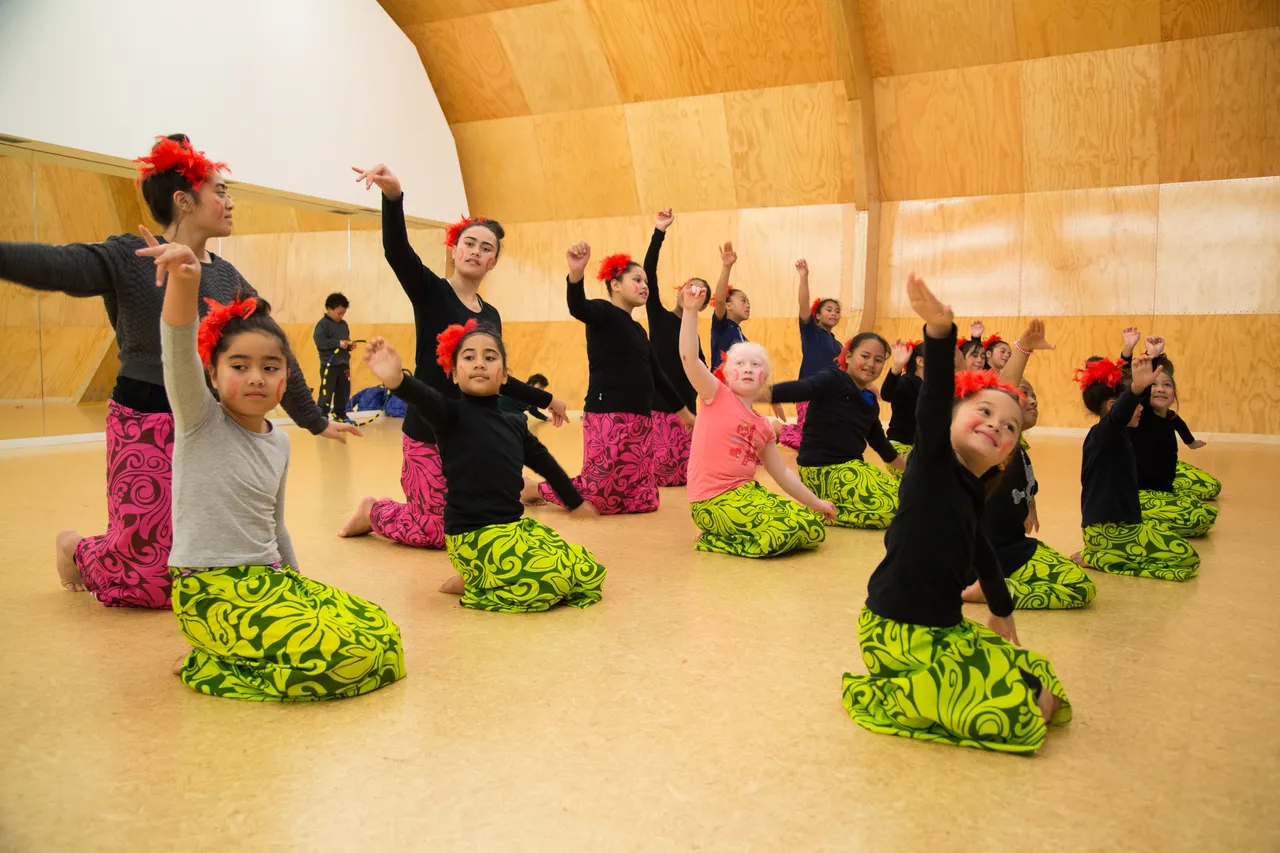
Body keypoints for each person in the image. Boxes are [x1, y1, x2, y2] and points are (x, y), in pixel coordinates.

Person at [0, 134, 357, 609]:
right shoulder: (131, 255)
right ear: (184, 200)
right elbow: (62, 266)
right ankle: (77, 549)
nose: (230, 202)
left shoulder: (229, 279)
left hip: (211, 427)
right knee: (143, 580)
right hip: (145, 421)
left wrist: (313, 419)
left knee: (188, 555)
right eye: (221, 191)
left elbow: (277, 353)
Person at [147, 229, 403, 701]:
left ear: (286, 377)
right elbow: (176, 351)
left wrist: (300, 588)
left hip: (268, 580)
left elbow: (275, 526)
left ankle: (242, 648)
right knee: (339, 659)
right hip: (210, 592)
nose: (255, 378)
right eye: (239, 365)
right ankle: (209, 664)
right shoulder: (199, 420)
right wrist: (185, 282)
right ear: (212, 372)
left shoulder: (279, 443)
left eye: (270, 367)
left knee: (381, 634)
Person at [842, 274, 1071, 755]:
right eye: (984, 412)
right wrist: (941, 333)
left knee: (1041, 683)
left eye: (1009, 427)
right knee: (1026, 713)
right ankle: (892, 686)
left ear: (1007, 455)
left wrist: (1002, 608)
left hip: (941, 627)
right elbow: (934, 402)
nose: (996, 424)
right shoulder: (931, 464)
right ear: (951, 422)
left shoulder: (973, 486)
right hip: (899, 631)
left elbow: (983, 550)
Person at [339, 163, 567, 546]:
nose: (476, 251)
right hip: (427, 431)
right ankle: (375, 511)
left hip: (472, 435)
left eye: (486, 248)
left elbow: (497, 378)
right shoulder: (431, 291)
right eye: (470, 243)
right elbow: (396, 251)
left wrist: (547, 399)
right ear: (455, 249)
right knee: (438, 533)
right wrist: (393, 197)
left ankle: (519, 486)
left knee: (479, 522)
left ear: (493, 261)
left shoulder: (490, 315)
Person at [364, 326, 605, 611]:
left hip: (511, 530)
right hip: (472, 537)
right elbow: (424, 398)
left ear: (504, 376)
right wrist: (397, 380)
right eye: (469, 357)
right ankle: (477, 581)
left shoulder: (515, 423)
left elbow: (546, 464)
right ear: (454, 374)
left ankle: (483, 577)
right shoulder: (449, 415)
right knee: (549, 581)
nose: (479, 363)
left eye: (490, 358)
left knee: (583, 567)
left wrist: (576, 502)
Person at [531, 243, 693, 514]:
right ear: (615, 285)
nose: (645, 286)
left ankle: (626, 496)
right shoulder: (603, 313)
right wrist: (575, 275)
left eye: (646, 282)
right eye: (637, 280)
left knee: (642, 495)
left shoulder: (639, 330)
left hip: (640, 417)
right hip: (608, 413)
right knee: (598, 494)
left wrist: (683, 411)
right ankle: (534, 489)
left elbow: (658, 375)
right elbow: (578, 307)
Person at [675, 284, 835, 556]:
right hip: (712, 501)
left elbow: (782, 473)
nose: (748, 369)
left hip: (747, 493)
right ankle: (712, 539)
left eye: (755, 365)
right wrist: (690, 313)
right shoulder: (715, 395)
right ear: (726, 372)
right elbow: (690, 360)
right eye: (739, 364)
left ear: (765, 377)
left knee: (811, 526)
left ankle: (789, 519)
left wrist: (817, 503)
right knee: (779, 534)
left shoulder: (763, 425)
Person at [963, 320, 1096, 610]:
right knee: (1079, 587)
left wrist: (1030, 510)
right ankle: (989, 588)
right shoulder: (988, 450)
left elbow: (1028, 488)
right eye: (1023, 396)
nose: (1032, 401)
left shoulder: (1020, 453)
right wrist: (1021, 349)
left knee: (1073, 576)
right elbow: (1002, 390)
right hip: (986, 556)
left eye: (1034, 395)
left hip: (1013, 546)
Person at [1070, 353, 1199, 581]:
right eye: (1137, 404)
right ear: (1113, 407)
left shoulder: (1118, 434)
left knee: (1178, 545)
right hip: (1108, 532)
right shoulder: (1105, 434)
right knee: (1187, 557)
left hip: (1122, 527)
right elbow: (1119, 415)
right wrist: (1134, 390)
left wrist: (1149, 366)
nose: (1142, 409)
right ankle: (1099, 557)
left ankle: (1106, 553)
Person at [767, 333, 906, 529]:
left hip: (851, 469)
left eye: (878, 360)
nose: (871, 364)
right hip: (821, 470)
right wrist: (762, 394)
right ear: (848, 357)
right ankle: (820, 509)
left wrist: (911, 472)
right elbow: (802, 387)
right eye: (864, 356)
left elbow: (882, 445)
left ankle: (828, 503)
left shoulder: (870, 401)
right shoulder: (833, 379)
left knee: (906, 498)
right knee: (891, 510)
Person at [642, 209, 709, 486]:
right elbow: (649, 272)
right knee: (665, 476)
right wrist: (659, 232)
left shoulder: (693, 332)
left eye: (699, 292)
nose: (691, 292)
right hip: (659, 405)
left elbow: (702, 370)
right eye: (688, 287)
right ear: (680, 290)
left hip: (686, 408)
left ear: (703, 304)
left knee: (686, 475)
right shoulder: (659, 315)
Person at [1120, 328, 1221, 501]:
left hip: (1165, 485)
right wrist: (1148, 354)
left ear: (1174, 393)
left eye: (1167, 385)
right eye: (1153, 385)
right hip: (1138, 487)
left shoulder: (1171, 416)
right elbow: (1129, 382)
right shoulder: (1141, 414)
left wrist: (1192, 443)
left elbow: (1182, 428)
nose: (1160, 389)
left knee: (1211, 490)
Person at [778, 259, 842, 450]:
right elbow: (803, 304)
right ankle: (776, 429)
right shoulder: (812, 332)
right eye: (829, 310)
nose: (834, 314)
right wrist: (804, 277)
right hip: (809, 391)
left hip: (829, 395)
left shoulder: (838, 344)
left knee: (825, 438)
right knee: (808, 439)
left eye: (837, 311)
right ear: (818, 316)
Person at [314, 292, 357, 422]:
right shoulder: (322, 325)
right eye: (339, 313)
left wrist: (349, 345)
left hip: (343, 363)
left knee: (344, 391)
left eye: (343, 313)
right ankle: (321, 417)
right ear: (329, 309)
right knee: (327, 392)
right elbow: (320, 342)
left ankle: (340, 414)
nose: (341, 316)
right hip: (329, 365)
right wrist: (337, 343)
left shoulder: (343, 324)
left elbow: (345, 341)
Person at [880, 338, 923, 458]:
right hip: (901, 447)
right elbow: (887, 394)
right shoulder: (908, 381)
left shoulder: (934, 388)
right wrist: (897, 367)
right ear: (920, 361)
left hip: (920, 449)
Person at [708, 242, 746, 371]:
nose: (748, 306)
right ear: (728, 305)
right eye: (743, 301)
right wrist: (727, 266)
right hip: (721, 387)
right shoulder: (722, 327)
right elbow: (719, 301)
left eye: (748, 303)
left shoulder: (742, 336)